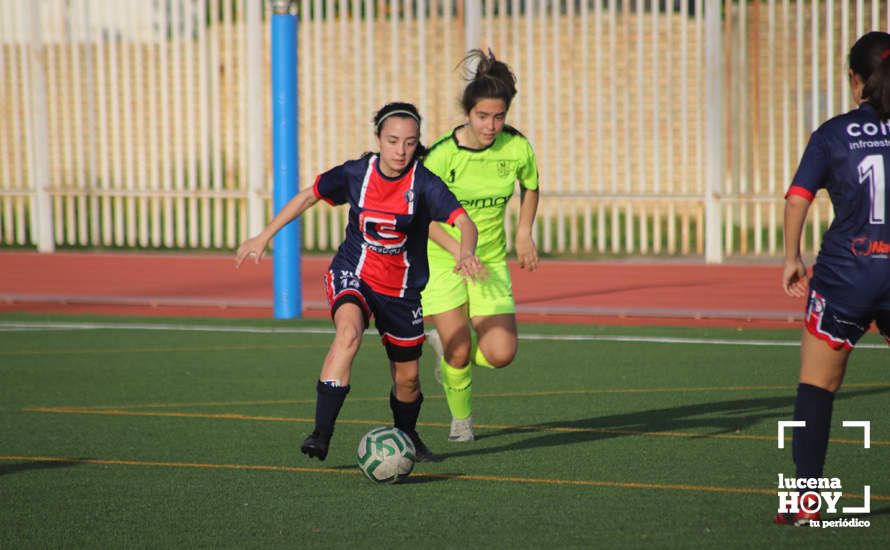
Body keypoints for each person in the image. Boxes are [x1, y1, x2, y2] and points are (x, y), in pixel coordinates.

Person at [236, 102, 482, 462]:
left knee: (408, 380)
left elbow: (465, 223)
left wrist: (465, 252)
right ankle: (321, 434)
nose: (401, 150)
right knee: (349, 333)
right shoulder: (356, 174)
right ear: (378, 138)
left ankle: (408, 435)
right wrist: (264, 236)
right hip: (354, 273)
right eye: (393, 140)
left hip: (402, 291)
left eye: (410, 143)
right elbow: (309, 195)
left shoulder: (425, 184)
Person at [776, 31, 890, 526]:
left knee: (817, 386)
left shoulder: (833, 132)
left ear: (855, 80)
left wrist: (791, 258)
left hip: (846, 275)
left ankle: (806, 500)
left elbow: (798, 197)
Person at [421, 50, 540, 442]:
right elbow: (419, 216)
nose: (491, 126)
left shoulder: (516, 147)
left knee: (501, 354)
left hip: (488, 260)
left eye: (499, 116)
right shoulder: (440, 156)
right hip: (443, 259)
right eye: (482, 117)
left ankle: (447, 344)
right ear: (467, 113)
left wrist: (524, 232)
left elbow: (531, 185)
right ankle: (462, 422)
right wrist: (459, 252)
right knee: (457, 352)